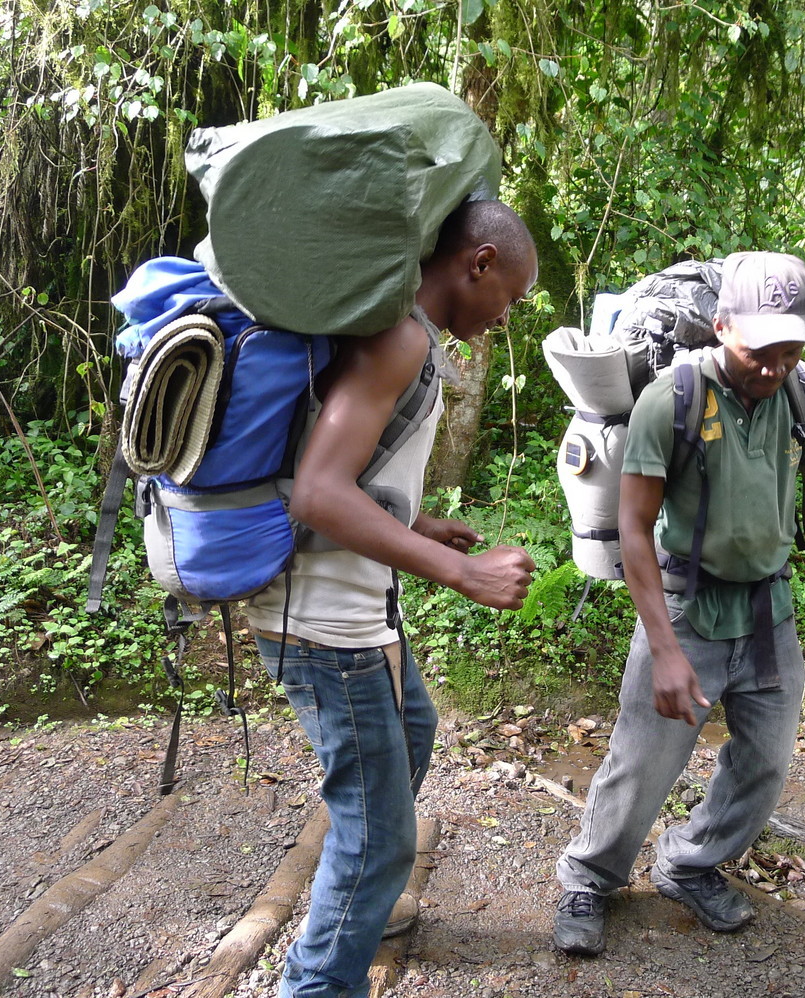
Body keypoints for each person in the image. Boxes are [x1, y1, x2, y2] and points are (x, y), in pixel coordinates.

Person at [245, 199, 540, 998]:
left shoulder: (405, 333)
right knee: (382, 842)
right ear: (477, 263)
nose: (503, 317)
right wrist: (463, 576)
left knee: (415, 724)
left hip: (350, 606)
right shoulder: (402, 335)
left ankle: (356, 904)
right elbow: (317, 493)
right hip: (324, 622)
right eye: (507, 297)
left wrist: (420, 523)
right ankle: (319, 981)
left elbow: (347, 473)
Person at [552, 250, 805, 956]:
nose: (774, 368)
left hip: (769, 608)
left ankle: (691, 862)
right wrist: (666, 650)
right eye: (759, 350)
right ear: (720, 327)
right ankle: (589, 877)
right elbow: (633, 525)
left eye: (789, 350)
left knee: (767, 762)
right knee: (645, 758)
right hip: (685, 606)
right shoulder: (672, 400)